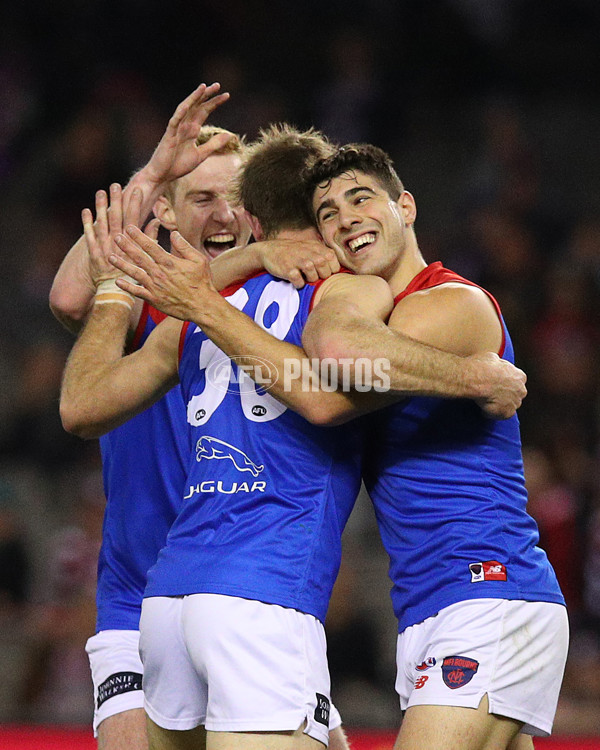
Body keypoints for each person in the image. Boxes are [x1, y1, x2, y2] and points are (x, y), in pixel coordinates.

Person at [60, 125, 527, 750]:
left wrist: (119, 288)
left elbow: (80, 406)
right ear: (320, 218)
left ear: (251, 217)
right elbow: (328, 389)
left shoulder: (194, 312)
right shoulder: (351, 295)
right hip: (262, 594)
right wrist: (475, 375)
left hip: (169, 602)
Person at [50, 87, 344, 750]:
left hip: (239, 592)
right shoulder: (143, 298)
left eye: (237, 201)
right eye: (203, 199)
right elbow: (71, 295)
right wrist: (151, 171)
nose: (224, 214)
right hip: (137, 599)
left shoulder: (278, 300)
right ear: (164, 213)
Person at [301, 144, 568, 750]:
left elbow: (330, 383)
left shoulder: (455, 302)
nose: (345, 219)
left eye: (359, 198)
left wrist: (208, 310)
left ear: (406, 206)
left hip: (488, 587)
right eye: (326, 214)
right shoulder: (377, 317)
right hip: (429, 605)